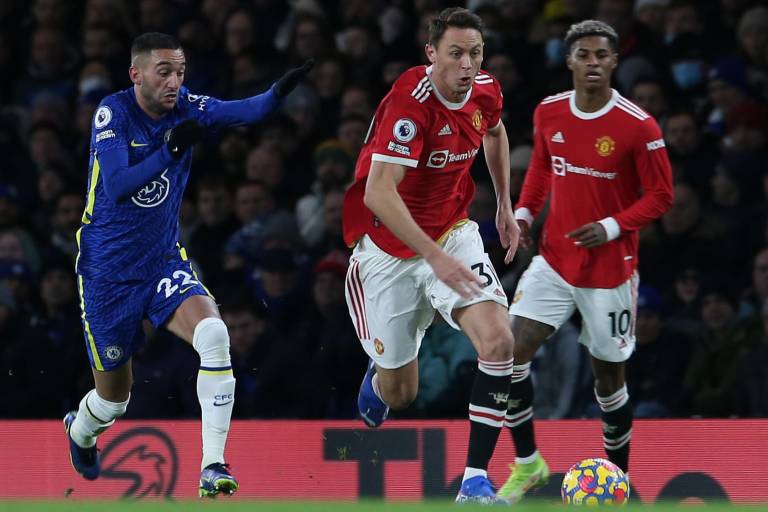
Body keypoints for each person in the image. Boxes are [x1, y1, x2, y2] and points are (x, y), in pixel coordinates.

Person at [64, 32, 312, 497]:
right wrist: (170, 150)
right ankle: (80, 431)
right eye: (165, 73)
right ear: (136, 74)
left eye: (180, 72)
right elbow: (117, 184)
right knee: (113, 401)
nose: (175, 82)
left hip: (161, 261)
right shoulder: (112, 114)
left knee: (215, 335)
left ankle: (212, 465)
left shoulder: (188, 107)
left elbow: (249, 110)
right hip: (107, 275)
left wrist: (280, 90)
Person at [341, 8, 520, 504]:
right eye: (456, 53)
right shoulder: (411, 105)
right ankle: (379, 381)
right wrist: (431, 257)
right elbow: (379, 193)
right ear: (432, 54)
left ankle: (475, 481)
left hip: (453, 232)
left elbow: (496, 133)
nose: (468, 65)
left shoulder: (485, 89)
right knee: (401, 393)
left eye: (476, 53)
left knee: (499, 341)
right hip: (388, 251)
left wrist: (504, 203)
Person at [499, 20, 673, 503]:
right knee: (507, 357)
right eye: (584, 54)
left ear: (614, 62)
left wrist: (613, 226)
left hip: (610, 272)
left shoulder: (639, 125)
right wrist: (525, 212)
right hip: (554, 261)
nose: (593, 62)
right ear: (569, 60)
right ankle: (528, 463)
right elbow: (541, 167)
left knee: (608, 382)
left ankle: (616, 479)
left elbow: (661, 196)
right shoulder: (549, 112)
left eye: (602, 55)